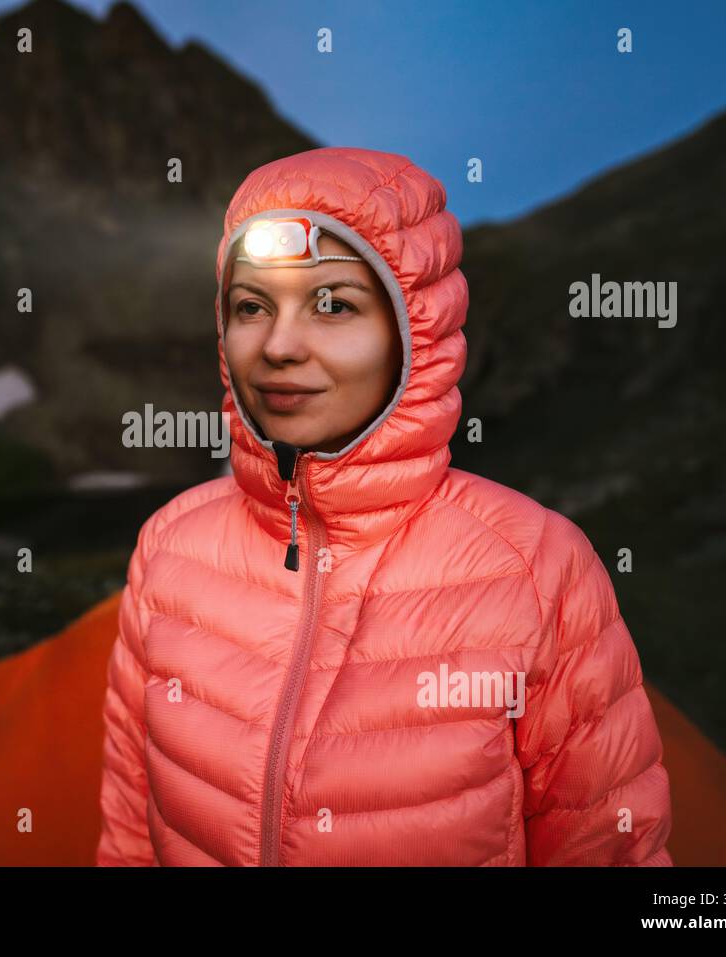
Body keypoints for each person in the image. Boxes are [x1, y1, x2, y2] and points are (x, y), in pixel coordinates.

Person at [96, 146, 673, 866]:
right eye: (251, 306)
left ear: (415, 333)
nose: (278, 345)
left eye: (333, 303)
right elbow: (128, 829)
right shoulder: (168, 548)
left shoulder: (537, 569)